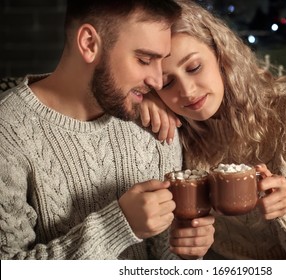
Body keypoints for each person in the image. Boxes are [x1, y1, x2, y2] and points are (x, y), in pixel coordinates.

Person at [140, 0, 286, 259]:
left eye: (194, 67)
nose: (187, 91)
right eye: (166, 83)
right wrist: (143, 98)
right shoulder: (177, 131)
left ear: (220, 55)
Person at [0, 0, 215, 260]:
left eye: (161, 62)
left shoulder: (156, 123)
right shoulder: (8, 130)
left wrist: (186, 250)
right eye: (144, 60)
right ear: (89, 43)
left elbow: (165, 261)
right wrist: (118, 226)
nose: (158, 81)